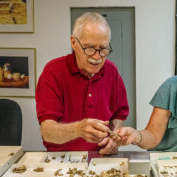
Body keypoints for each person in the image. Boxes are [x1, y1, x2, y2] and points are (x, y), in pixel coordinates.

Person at [36, 12, 129, 154]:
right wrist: (78, 129)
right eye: (89, 48)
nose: (97, 57)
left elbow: (119, 114)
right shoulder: (53, 72)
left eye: (103, 49)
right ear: (73, 42)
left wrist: (113, 138)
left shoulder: (111, 71)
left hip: (101, 156)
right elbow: (47, 131)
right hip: (61, 158)